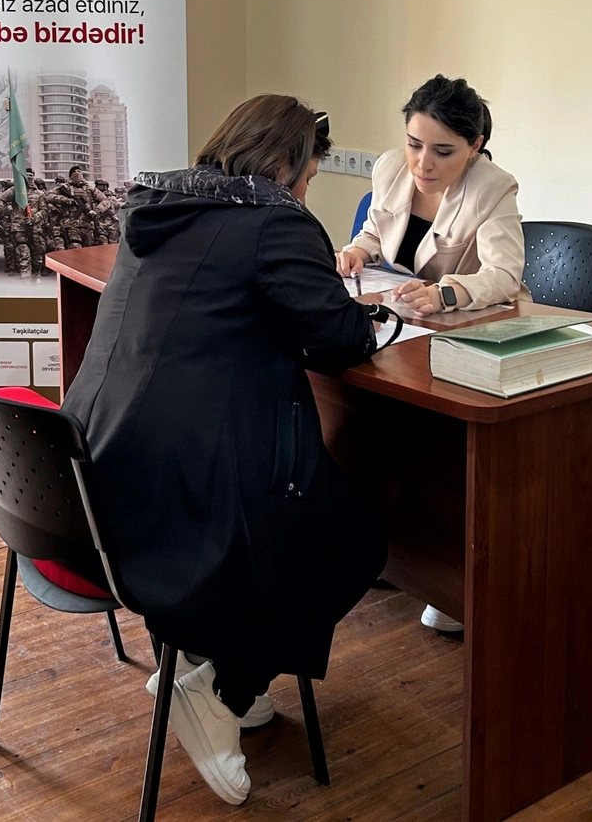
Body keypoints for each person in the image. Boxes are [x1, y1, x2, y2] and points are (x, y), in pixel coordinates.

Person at [62, 95, 389, 805]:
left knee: (302, 506)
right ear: (284, 164)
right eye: (308, 178)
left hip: (92, 474)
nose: (306, 194)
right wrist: (379, 313)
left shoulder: (157, 203)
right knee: (355, 538)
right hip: (175, 497)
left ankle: (223, 663)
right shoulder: (274, 219)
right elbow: (339, 336)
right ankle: (220, 686)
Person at [336, 74, 527, 632]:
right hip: (404, 325)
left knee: (441, 443)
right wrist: (355, 252)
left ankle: (449, 578)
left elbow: (505, 274)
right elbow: (375, 235)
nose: (423, 163)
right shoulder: (389, 169)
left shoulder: (493, 187)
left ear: (474, 147)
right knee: (366, 416)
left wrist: (448, 292)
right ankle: (392, 550)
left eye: (443, 151)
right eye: (414, 144)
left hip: (468, 327)